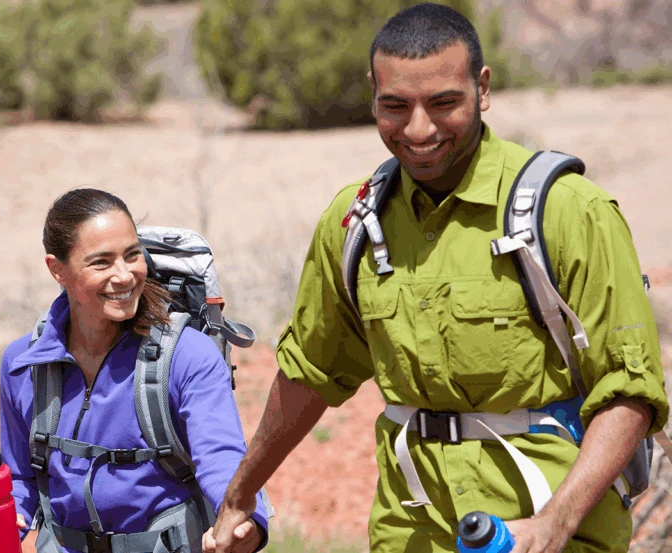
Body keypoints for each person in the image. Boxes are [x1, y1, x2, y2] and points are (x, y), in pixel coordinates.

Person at [202, 3, 670, 553]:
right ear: (371, 95)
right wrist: (241, 493)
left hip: (544, 530)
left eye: (444, 103)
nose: (418, 129)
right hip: (411, 530)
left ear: (483, 87)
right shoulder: (353, 223)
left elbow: (629, 392)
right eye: (394, 106)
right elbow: (312, 370)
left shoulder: (568, 212)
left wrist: (556, 523)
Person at [0, 188, 270, 553]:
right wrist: (2, 524)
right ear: (57, 269)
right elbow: (20, 475)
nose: (124, 276)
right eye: (101, 262)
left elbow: (221, 457)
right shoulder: (23, 365)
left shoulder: (187, 355)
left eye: (132, 255)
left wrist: (243, 520)